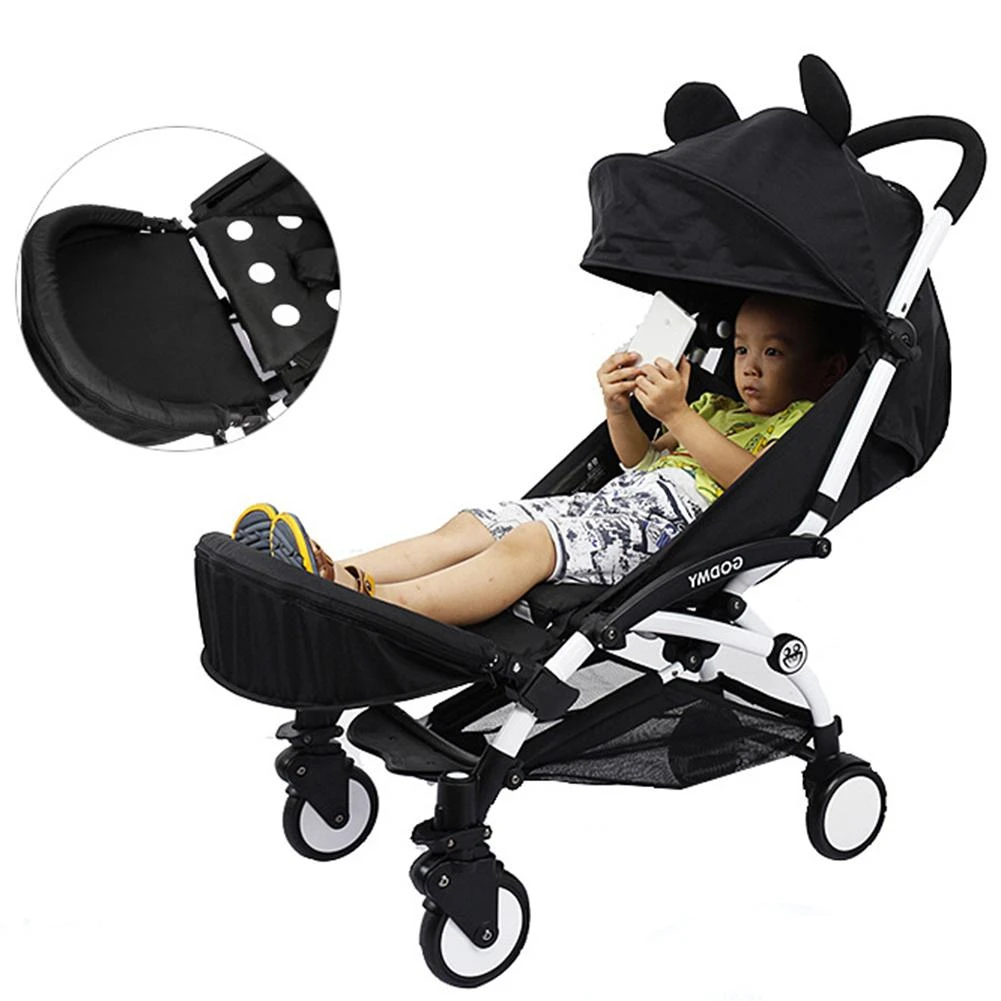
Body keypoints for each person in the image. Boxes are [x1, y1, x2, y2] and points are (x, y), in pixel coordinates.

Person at [233, 291, 851, 627]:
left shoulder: (800, 426)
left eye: (773, 353)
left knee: (529, 545)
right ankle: (331, 572)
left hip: (675, 536)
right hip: (611, 507)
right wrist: (620, 409)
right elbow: (639, 464)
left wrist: (679, 416)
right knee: (473, 525)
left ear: (828, 370)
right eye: (741, 348)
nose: (749, 366)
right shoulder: (715, 407)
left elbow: (759, 488)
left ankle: (383, 608)